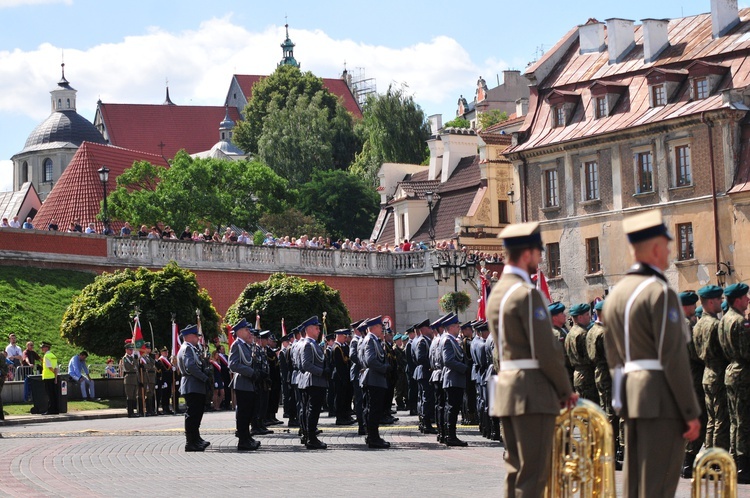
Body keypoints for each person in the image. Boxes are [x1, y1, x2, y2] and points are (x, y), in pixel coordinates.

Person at [602, 210, 701, 497]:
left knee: (635, 485)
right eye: (667, 244)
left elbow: (614, 361)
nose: (670, 250)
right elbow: (673, 357)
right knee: (658, 486)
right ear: (656, 247)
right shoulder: (660, 292)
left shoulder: (616, 296)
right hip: (661, 398)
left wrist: (621, 401)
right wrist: (689, 411)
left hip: (632, 397)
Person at [486, 221, 576, 497]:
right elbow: (546, 349)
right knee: (534, 476)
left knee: (516, 472)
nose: (540, 258)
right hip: (532, 392)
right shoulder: (527, 294)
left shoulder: (497, 294)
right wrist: (564, 389)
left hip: (508, 390)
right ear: (527, 253)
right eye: (538, 252)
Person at [718, 282, 750, 482]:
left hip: (731, 371)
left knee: (735, 422)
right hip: (743, 374)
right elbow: (747, 352)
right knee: (743, 421)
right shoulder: (740, 322)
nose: (748, 300)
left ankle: (737, 462)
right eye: (746, 297)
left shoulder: (723, 320)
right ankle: (743, 466)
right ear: (737, 299)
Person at [586, 300, 622, 470]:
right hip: (607, 374)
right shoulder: (603, 333)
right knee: (610, 416)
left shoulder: (592, 330)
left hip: (599, 373)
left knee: (605, 412)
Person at [693, 285, 729, 453]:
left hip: (706, 374)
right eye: (719, 300)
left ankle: (708, 456)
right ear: (710, 302)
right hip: (718, 373)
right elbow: (725, 352)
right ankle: (718, 458)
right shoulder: (715, 324)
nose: (721, 302)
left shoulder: (698, 325)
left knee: (711, 421)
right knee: (721, 419)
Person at [679, 289, 707, 478]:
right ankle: (688, 463)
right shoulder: (687, 325)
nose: (695, 308)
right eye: (693, 305)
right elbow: (695, 354)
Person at [228, 318, 262, 451]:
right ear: (239, 331)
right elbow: (233, 364)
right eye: (246, 330)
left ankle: (247, 437)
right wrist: (251, 372)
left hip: (249, 383)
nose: (249, 332)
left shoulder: (246, 345)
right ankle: (243, 440)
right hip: (242, 382)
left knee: (249, 412)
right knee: (243, 413)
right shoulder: (237, 345)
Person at [177, 324, 211, 452]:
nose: (198, 338)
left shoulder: (192, 348)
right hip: (192, 384)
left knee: (197, 414)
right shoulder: (187, 349)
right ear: (189, 336)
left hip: (195, 384)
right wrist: (204, 377)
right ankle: (191, 442)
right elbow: (190, 366)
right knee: (192, 414)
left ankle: (196, 439)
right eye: (196, 336)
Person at [359, 316, 391, 448]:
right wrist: (384, 368)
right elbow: (370, 360)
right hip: (374, 378)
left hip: (374, 378)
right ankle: (373, 437)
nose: (381, 329)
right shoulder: (370, 340)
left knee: (373, 409)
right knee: (374, 410)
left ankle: (372, 436)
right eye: (380, 327)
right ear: (374, 327)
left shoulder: (371, 340)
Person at [297, 315, 328, 450]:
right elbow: (306, 365)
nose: (318, 331)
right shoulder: (308, 344)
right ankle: (311, 438)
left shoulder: (313, 344)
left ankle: (311, 436)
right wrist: (322, 372)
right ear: (309, 329)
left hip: (317, 381)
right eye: (316, 328)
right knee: (312, 410)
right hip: (313, 381)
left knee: (314, 410)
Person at [441, 314, 469, 446]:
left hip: (454, 378)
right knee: (452, 408)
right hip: (453, 378)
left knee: (452, 408)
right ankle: (451, 436)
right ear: (451, 327)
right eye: (457, 326)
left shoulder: (450, 339)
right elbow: (448, 360)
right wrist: (464, 368)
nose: (459, 328)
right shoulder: (448, 340)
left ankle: (449, 435)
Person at [564, 303, 599, 403]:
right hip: (587, 376)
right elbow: (590, 356)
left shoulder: (570, 334)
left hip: (577, 375)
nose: (589, 317)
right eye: (587, 315)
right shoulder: (583, 333)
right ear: (580, 317)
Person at [332, 328, 355, 425]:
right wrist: (344, 378)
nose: (346, 339)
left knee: (347, 397)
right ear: (340, 336)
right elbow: (339, 365)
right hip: (340, 376)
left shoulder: (343, 346)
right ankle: (340, 417)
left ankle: (346, 415)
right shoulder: (336, 348)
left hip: (346, 376)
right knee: (340, 398)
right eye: (344, 337)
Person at [120, 341, 140, 417]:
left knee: (134, 396)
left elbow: (136, 369)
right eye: (130, 349)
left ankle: (133, 411)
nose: (131, 351)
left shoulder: (132, 358)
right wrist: (134, 361)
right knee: (130, 396)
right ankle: (130, 412)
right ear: (126, 350)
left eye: (132, 349)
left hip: (134, 378)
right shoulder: (125, 358)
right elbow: (128, 368)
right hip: (129, 379)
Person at [40, 341, 59, 415]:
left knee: (50, 395)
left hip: (48, 377)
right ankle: (55, 409)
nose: (41, 348)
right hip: (53, 377)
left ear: (46, 348)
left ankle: (50, 410)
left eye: (43, 347)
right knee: (54, 394)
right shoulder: (53, 355)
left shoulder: (46, 356)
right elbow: (56, 367)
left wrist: (54, 373)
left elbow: (50, 367)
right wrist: (56, 377)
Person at [156, 347, 175, 415]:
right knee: (164, 395)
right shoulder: (161, 360)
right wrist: (163, 381)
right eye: (164, 352)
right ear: (161, 353)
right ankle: (164, 408)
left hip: (169, 379)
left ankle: (167, 407)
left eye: (166, 352)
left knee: (168, 394)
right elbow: (162, 371)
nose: (166, 353)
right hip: (164, 380)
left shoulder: (168, 359)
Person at [140, 342, 157, 416]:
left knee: (150, 394)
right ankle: (144, 410)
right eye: (147, 348)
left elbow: (152, 364)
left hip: (151, 378)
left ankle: (150, 410)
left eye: (149, 348)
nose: (149, 350)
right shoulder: (142, 357)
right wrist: (147, 366)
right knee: (144, 394)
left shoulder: (150, 357)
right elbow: (147, 366)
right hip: (145, 377)